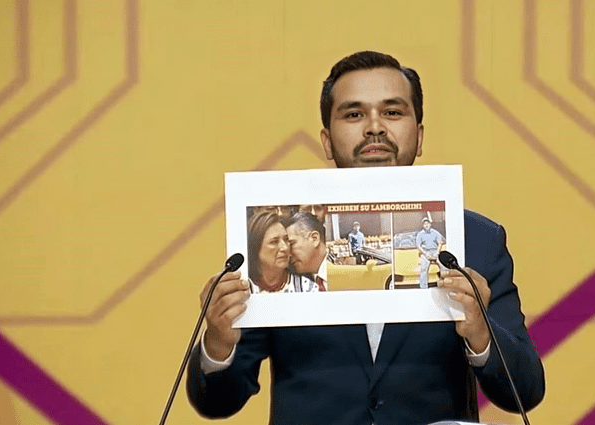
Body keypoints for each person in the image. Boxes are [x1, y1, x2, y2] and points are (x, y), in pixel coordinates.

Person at [186, 51, 545, 425]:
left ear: (419, 136)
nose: (375, 127)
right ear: (326, 141)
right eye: (354, 114)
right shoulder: (276, 244)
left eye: (392, 112)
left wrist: (481, 335)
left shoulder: (478, 240)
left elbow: (527, 390)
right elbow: (217, 403)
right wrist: (218, 344)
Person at [246, 210, 316, 293]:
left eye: (286, 240)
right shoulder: (243, 288)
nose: (285, 247)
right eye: (274, 242)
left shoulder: (307, 289)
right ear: (255, 247)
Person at [286, 211, 328, 291]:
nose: (288, 254)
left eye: (291, 244)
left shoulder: (344, 270)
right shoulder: (299, 284)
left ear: (314, 238)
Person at [416, 217, 445, 289]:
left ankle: (444, 284)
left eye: (427, 223)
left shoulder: (435, 232)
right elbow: (418, 246)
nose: (426, 225)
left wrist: (437, 252)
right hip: (425, 252)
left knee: (443, 265)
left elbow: (440, 243)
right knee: (423, 268)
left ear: (430, 224)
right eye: (424, 224)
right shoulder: (420, 234)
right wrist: (425, 253)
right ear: (423, 225)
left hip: (435, 251)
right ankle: (423, 287)